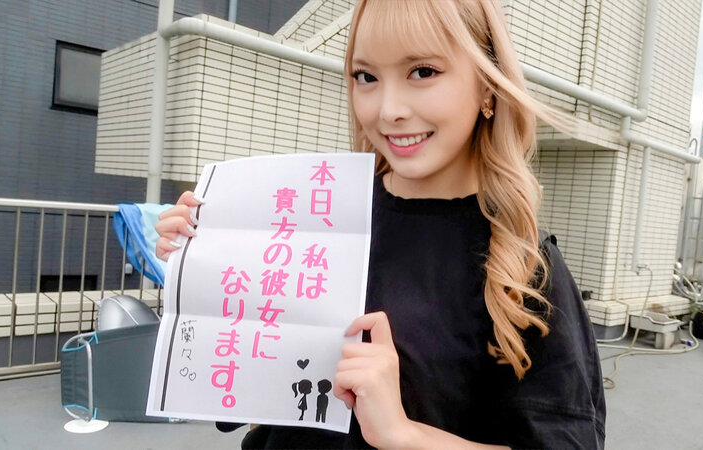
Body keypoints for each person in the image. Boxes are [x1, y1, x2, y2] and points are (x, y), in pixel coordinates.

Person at [155, 0, 606, 448]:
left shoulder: (524, 266)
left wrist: (403, 433)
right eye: (366, 77)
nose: (389, 110)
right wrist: (197, 277)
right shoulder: (310, 215)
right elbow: (244, 383)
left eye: (423, 71)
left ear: (487, 86)